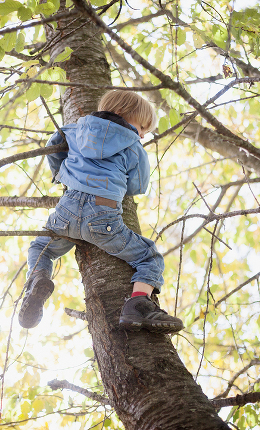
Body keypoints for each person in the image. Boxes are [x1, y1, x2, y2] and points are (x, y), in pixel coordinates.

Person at [18, 90, 184, 334]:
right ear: (122, 115)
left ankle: (38, 279)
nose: (141, 135)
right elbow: (138, 185)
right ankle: (138, 304)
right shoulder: (133, 147)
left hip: (67, 209)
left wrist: (62, 172)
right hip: (103, 215)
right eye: (141, 128)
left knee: (40, 248)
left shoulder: (73, 130)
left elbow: (53, 145)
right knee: (149, 256)